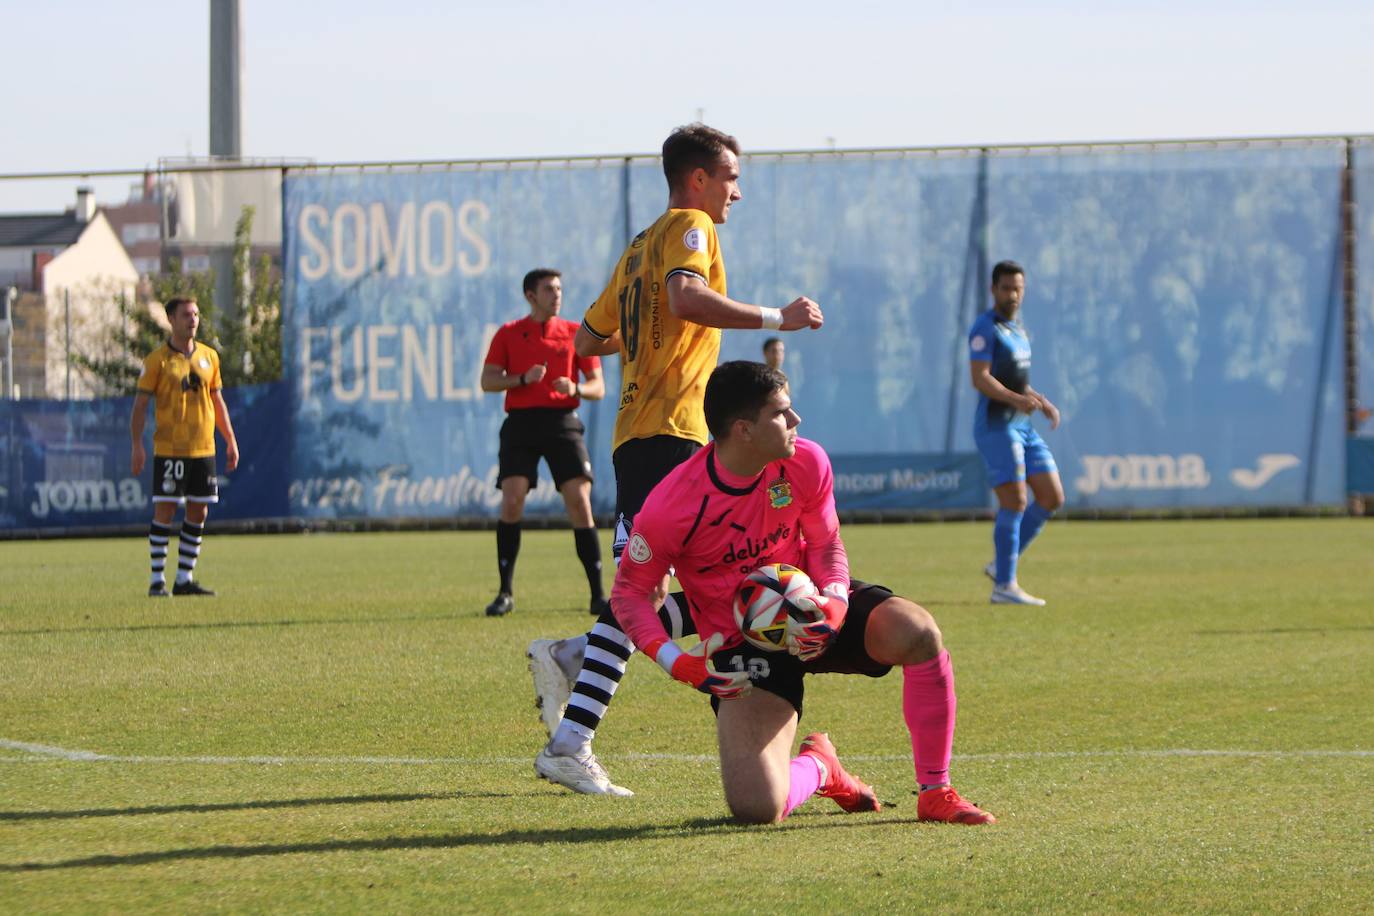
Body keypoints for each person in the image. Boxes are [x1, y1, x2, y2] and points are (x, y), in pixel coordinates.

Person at [528, 124, 824, 796]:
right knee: (644, 588)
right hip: (668, 434)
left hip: (646, 433)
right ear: (697, 178)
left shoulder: (638, 248)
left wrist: (645, 343)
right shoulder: (691, 224)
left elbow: (589, 337)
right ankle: (569, 741)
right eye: (730, 178)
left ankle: (576, 656)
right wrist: (778, 316)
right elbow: (685, 297)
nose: (736, 193)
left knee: (680, 585)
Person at [610, 361, 995, 824]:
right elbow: (630, 593)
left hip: (814, 606)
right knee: (758, 807)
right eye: (782, 412)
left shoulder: (806, 461)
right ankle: (821, 767)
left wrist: (833, 603)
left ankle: (935, 791)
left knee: (918, 633)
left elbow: (827, 543)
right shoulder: (673, 503)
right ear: (744, 430)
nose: (796, 421)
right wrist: (677, 662)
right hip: (741, 644)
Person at [479, 268, 607, 617]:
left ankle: (598, 594)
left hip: (562, 422)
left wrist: (576, 388)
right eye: (549, 289)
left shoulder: (575, 333)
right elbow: (488, 381)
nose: (557, 295)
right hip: (521, 424)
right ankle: (505, 592)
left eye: (559, 288)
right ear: (530, 296)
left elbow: (598, 386)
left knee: (580, 502)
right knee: (512, 501)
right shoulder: (508, 334)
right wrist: (520, 379)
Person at [967, 260, 1064, 606]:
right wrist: (1016, 400)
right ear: (994, 289)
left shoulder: (1018, 329)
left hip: (1023, 426)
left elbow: (1017, 380)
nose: (1013, 294)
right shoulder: (985, 328)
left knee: (1052, 496)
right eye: (1006, 287)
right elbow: (980, 378)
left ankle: (1000, 565)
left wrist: (1040, 400)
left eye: (1018, 288)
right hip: (997, 426)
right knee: (1015, 501)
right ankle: (1005, 586)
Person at [130, 297, 239, 597]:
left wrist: (229, 439)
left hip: (203, 448)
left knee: (199, 511)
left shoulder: (209, 357)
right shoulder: (157, 361)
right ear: (171, 319)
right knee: (164, 510)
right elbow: (139, 407)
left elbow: (217, 401)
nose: (192, 320)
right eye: (185, 315)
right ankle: (156, 581)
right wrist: (137, 444)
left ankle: (183, 579)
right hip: (170, 449)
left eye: (195, 314)